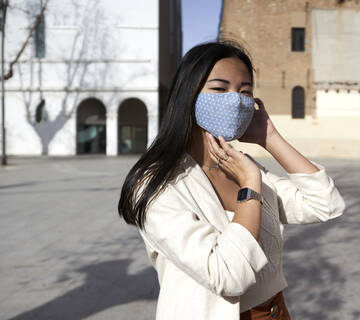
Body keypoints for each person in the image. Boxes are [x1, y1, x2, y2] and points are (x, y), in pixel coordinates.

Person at [118, 40, 346, 320]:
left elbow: (325, 204)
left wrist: (270, 139)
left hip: (276, 312)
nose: (235, 99)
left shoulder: (243, 166)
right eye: (219, 88)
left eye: (245, 91)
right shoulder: (156, 185)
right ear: (188, 96)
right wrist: (249, 188)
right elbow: (229, 276)